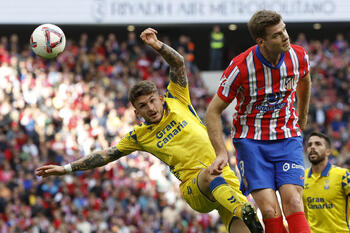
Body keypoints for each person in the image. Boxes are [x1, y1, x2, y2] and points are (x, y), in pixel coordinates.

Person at [35, 28, 263, 233]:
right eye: (143, 106)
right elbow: (106, 155)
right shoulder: (139, 136)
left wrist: (157, 45)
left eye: (153, 101)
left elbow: (178, 64)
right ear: (137, 113)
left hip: (224, 179)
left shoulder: (178, 100)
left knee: (246, 227)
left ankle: (245, 212)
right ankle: (245, 207)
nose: (151, 108)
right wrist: (65, 169)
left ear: (161, 98)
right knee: (218, 181)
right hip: (195, 187)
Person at [205, 10, 312, 233]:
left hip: (287, 136)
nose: (285, 37)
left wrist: (302, 116)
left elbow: (304, 80)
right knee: (270, 211)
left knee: (293, 201)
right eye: (276, 35)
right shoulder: (240, 67)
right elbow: (213, 111)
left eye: (284, 30)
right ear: (261, 41)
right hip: (252, 143)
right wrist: (221, 152)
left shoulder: (298, 56)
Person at [303, 132, 350, 233]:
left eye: (318, 144)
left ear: (328, 151)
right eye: (310, 144)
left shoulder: (343, 176)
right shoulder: (301, 178)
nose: (312, 147)